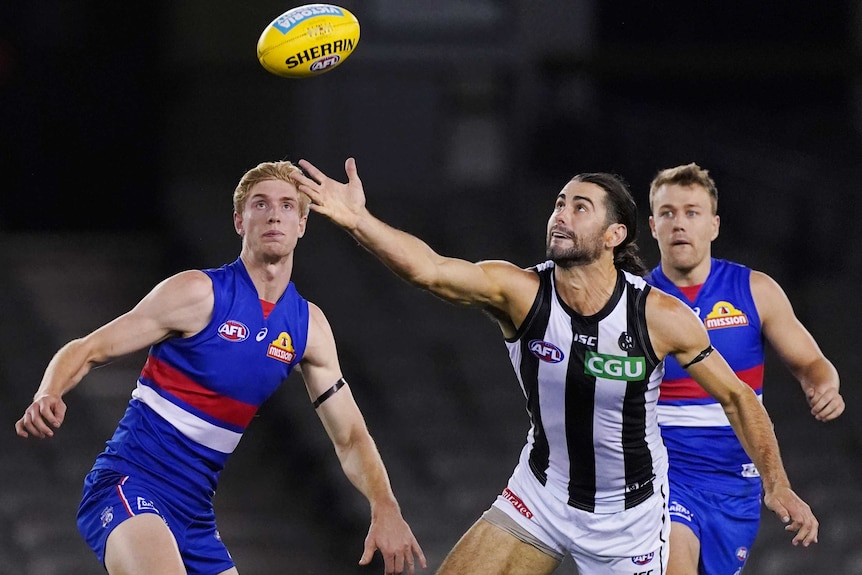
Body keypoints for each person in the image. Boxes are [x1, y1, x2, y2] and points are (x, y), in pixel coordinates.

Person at [289, 157, 819, 575]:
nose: (561, 214)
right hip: (540, 495)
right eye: (559, 202)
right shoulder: (520, 292)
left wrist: (776, 483)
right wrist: (358, 219)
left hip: (629, 522)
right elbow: (430, 270)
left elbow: (738, 397)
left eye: (580, 206)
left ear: (614, 236)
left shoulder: (660, 317)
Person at [15, 160, 426, 575]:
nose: (274, 214)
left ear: (302, 223)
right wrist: (48, 392)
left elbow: (351, 435)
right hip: (129, 485)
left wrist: (385, 506)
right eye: (260, 204)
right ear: (238, 221)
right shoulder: (197, 293)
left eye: (287, 205)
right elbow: (89, 348)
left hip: (193, 514)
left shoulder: (309, 329)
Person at [644, 162, 843, 575]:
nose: (679, 223)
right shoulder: (636, 302)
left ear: (714, 225)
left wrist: (822, 386)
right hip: (665, 475)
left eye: (692, 212)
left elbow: (811, 362)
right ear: (652, 226)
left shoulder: (755, 290)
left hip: (736, 484)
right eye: (668, 213)